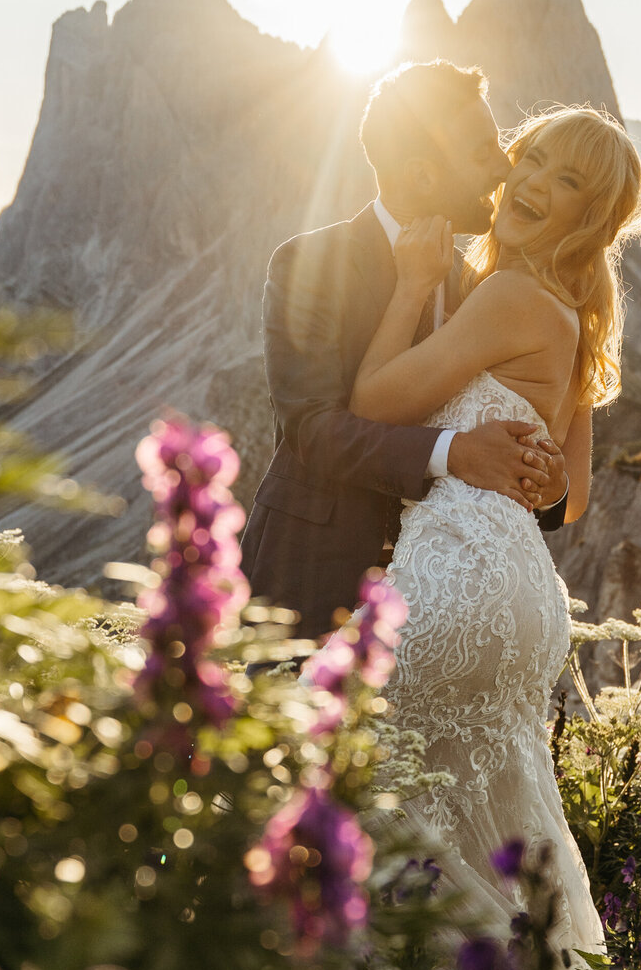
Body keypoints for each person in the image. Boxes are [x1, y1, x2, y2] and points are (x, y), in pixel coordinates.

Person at [345, 104, 641, 962]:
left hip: (457, 576)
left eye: (567, 184)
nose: (532, 185)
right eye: (533, 159)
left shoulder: (511, 295)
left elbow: (374, 403)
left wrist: (410, 285)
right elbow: (572, 499)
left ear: (590, 218)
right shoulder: (577, 322)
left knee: (377, 796)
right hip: (527, 599)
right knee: (488, 821)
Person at [239, 62, 570, 640]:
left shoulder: (483, 290)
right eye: (481, 151)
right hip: (310, 582)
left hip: (439, 602)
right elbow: (312, 429)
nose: (503, 166)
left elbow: (525, 464)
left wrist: (548, 483)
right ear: (421, 176)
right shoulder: (309, 265)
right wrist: (453, 452)